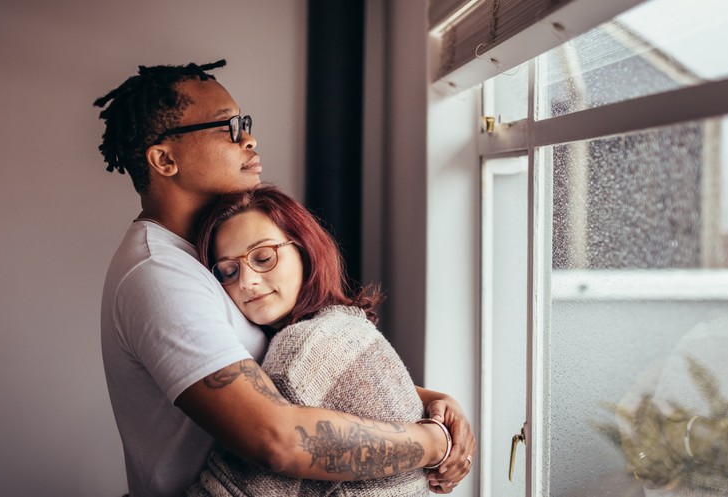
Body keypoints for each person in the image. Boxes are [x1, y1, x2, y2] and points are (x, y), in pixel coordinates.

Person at [94, 60, 475, 497]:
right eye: (228, 127)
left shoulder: (204, 253)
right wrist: (432, 442)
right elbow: (275, 439)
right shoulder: (160, 275)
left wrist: (428, 403)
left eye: (245, 124)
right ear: (164, 159)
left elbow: (294, 375)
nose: (249, 138)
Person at [183, 184, 444, 496]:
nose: (247, 281)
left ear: (304, 248)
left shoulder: (302, 346)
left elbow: (233, 490)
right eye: (228, 270)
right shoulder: (346, 326)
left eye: (264, 257)